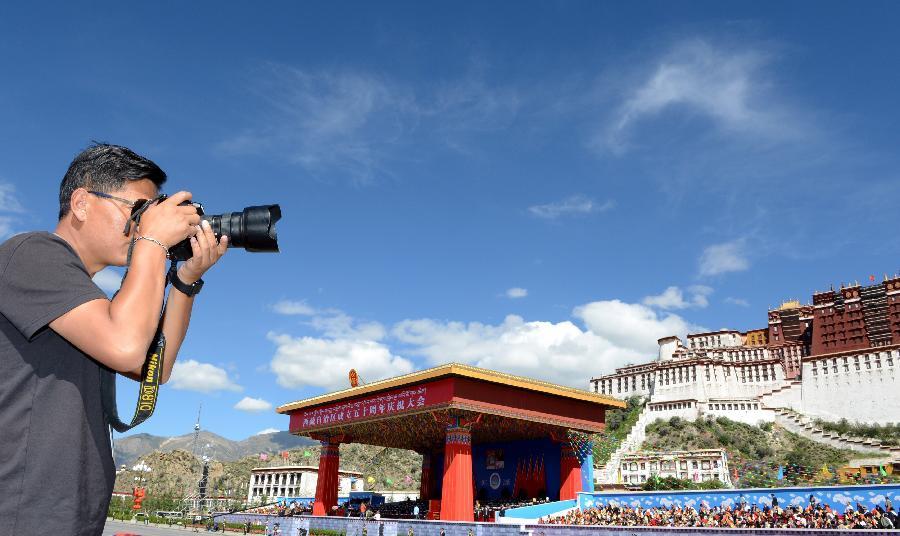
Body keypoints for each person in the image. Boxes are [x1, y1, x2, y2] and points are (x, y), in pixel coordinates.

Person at [0, 144, 228, 535]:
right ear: (82, 202)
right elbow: (125, 346)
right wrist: (153, 242)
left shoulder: (88, 303)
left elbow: (153, 368)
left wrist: (185, 282)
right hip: (22, 510)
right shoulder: (31, 252)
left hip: (68, 513)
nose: (143, 225)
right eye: (138, 210)